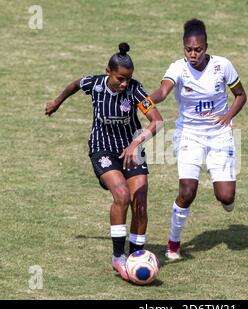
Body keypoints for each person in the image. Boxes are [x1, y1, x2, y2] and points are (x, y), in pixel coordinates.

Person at [45, 42, 164, 280]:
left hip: (132, 149)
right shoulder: (95, 84)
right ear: (108, 71)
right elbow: (75, 85)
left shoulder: (135, 91)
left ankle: (136, 255)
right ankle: (118, 257)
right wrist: (56, 102)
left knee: (139, 201)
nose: (124, 84)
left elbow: (157, 121)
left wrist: (135, 143)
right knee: (121, 196)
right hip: (102, 150)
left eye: (128, 79)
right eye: (120, 78)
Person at [149, 19, 247, 260]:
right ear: (184, 47)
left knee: (226, 196)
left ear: (206, 46)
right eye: (188, 49)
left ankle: (226, 197)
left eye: (198, 50)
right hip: (189, 135)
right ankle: (173, 243)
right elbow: (162, 92)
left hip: (219, 135)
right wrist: (145, 101)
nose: (193, 54)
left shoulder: (222, 66)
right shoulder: (178, 69)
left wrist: (228, 116)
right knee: (187, 191)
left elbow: (241, 95)